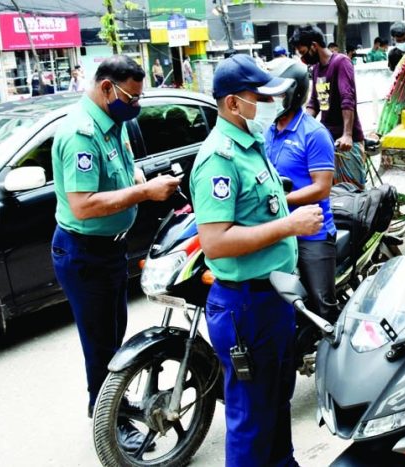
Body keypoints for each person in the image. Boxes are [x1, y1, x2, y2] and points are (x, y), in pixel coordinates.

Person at [190, 54, 322, 466]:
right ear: (233, 103)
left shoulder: (252, 143)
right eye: (259, 96)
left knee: (275, 403)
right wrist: (288, 226)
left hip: (273, 298)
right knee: (251, 416)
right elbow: (216, 242)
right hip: (246, 305)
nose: (268, 103)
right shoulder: (220, 159)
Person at [50, 55, 181, 450]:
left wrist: (139, 179)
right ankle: (110, 419)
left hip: (109, 251)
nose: (137, 105)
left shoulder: (113, 122)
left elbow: (123, 168)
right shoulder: (81, 134)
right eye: (132, 97)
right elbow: (83, 204)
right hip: (84, 253)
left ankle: (111, 404)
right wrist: (143, 192)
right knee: (101, 346)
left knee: (113, 336)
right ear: (107, 88)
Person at [264, 58, 338, 324]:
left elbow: (322, 187)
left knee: (322, 306)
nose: (271, 100)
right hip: (280, 228)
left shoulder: (314, 133)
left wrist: (281, 200)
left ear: (294, 95)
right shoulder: (269, 132)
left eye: (278, 94)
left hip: (312, 232)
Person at [291, 25, 367, 188]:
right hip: (327, 139)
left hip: (347, 143)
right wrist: (298, 127)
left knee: (353, 193)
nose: (303, 59)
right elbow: (314, 103)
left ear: (314, 46)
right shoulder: (317, 68)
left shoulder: (341, 62)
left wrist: (347, 134)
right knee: (332, 192)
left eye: (304, 53)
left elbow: (347, 98)